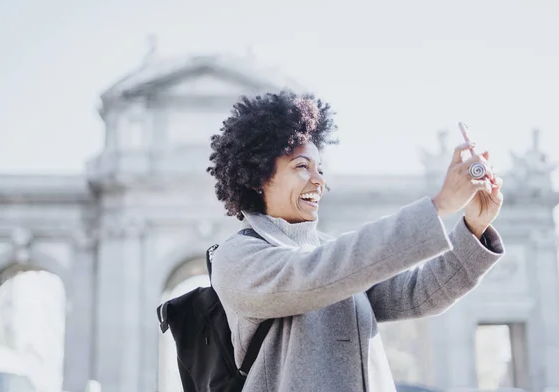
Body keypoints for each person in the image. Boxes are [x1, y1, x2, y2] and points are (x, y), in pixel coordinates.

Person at [206, 90, 505, 392]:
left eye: (320, 168)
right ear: (258, 178)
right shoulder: (237, 257)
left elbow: (420, 293)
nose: (320, 180)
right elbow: (318, 273)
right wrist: (439, 205)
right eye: (301, 166)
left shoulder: (334, 255)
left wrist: (474, 227)